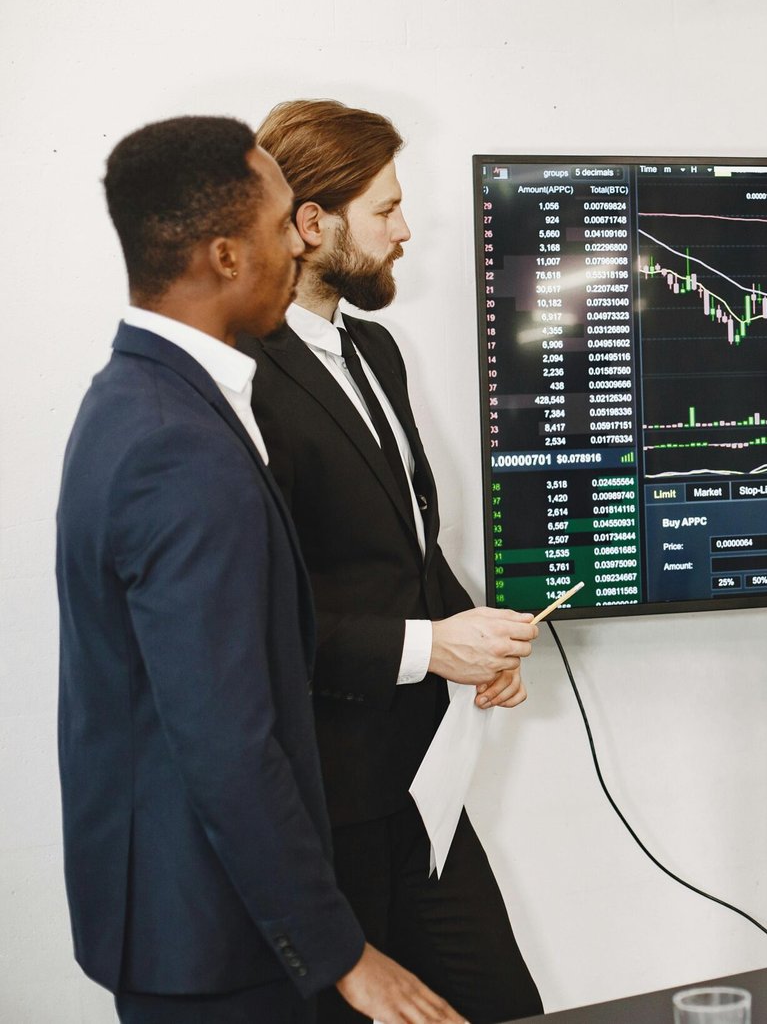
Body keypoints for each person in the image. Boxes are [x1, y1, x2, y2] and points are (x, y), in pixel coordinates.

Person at [57, 116, 464, 1023]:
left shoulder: (141, 396)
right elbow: (225, 738)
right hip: (211, 928)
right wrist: (345, 952)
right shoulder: (178, 448)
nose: (302, 241)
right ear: (226, 253)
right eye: (286, 224)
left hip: (204, 912)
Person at [238, 99, 544, 1023]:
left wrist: (475, 634)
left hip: (420, 789)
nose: (408, 231)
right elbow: (260, 618)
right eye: (386, 211)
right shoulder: (240, 375)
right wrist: (427, 648)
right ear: (311, 224)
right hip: (324, 805)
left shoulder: (374, 348)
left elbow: (408, 549)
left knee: (506, 1004)